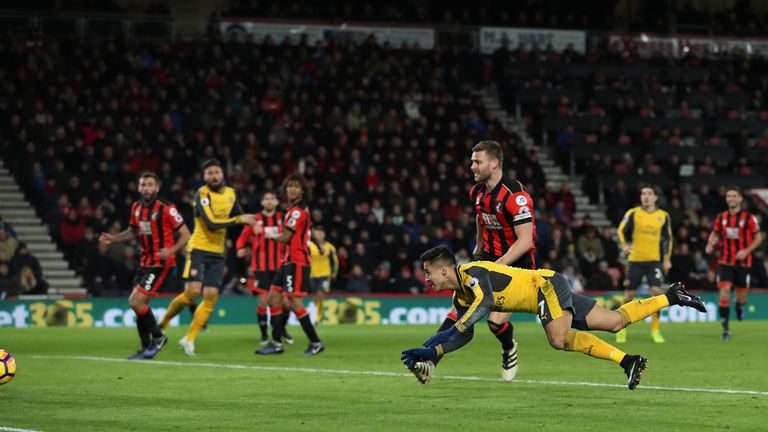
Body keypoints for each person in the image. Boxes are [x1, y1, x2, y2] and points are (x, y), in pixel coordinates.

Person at [401, 246, 707, 389]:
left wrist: (442, 336)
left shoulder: (472, 273)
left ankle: (627, 360)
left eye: (428, 273)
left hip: (546, 286)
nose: (426, 279)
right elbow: (465, 334)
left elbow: (485, 304)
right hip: (547, 293)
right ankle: (669, 298)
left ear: (443, 269)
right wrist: (435, 350)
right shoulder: (460, 295)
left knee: (557, 339)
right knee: (614, 322)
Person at [420, 140, 536, 384]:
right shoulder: (477, 192)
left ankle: (508, 348)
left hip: (516, 266)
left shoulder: (516, 196)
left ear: (494, 163)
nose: (472, 166)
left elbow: (525, 241)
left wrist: (498, 265)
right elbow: (480, 217)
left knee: (495, 322)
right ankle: (429, 361)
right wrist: (479, 244)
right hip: (486, 259)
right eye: (472, 161)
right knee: (459, 310)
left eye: (477, 161)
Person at [157, 159, 257, 356]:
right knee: (192, 294)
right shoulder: (202, 194)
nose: (213, 176)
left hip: (218, 253)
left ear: (222, 175)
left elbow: (240, 217)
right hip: (199, 249)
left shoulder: (231, 194)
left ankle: (189, 339)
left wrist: (253, 229)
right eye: (209, 173)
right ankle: (161, 325)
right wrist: (240, 219)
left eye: (216, 172)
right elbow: (211, 223)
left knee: (211, 296)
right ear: (204, 178)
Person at [98, 171, 191, 359]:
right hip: (144, 263)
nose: (146, 188)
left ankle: (159, 337)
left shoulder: (166, 208)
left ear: (157, 187)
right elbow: (133, 231)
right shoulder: (136, 208)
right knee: (139, 306)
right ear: (139, 188)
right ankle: (145, 347)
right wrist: (114, 238)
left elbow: (186, 234)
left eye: (150, 184)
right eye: (143, 185)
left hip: (161, 263)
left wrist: (171, 250)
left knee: (135, 301)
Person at [256, 174, 325, 356]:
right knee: (273, 299)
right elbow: (308, 230)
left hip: (297, 262)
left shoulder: (296, 212)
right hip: (286, 262)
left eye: (296, 186)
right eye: (290, 186)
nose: (292, 189)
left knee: (294, 302)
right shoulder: (296, 209)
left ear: (303, 190)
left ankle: (316, 342)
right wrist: (319, 245)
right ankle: (277, 344)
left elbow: (286, 237)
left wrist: (267, 234)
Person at [616, 185, 672, 344]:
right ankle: (621, 329)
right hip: (635, 260)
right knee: (629, 296)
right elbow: (620, 231)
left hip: (654, 261)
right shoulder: (633, 213)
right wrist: (624, 245)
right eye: (643, 194)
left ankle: (655, 330)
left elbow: (668, 238)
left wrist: (667, 258)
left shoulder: (663, 216)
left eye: (649, 194)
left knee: (657, 294)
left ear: (655, 197)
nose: (645, 196)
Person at [705, 186, 763, 340]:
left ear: (740, 199)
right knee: (724, 292)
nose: (731, 198)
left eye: (734, 196)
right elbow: (715, 233)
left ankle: (738, 305)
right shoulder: (721, 217)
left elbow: (759, 238)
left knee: (741, 298)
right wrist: (710, 243)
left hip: (744, 263)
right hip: (725, 261)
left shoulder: (749, 218)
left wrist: (746, 250)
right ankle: (725, 330)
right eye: (728, 196)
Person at [236, 190, 286, 346]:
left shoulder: (283, 219)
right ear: (262, 202)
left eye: (272, 198)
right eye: (266, 199)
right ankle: (264, 335)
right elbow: (242, 238)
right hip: (261, 267)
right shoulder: (255, 219)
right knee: (263, 301)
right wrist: (240, 249)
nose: (269, 201)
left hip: (280, 266)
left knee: (283, 302)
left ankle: (280, 330)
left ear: (277, 202)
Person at [309, 225, 338, 323]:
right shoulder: (309, 245)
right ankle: (318, 314)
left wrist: (333, 274)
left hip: (325, 275)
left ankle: (315, 315)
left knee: (320, 294)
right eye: (317, 233)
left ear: (324, 235)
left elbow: (335, 261)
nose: (319, 235)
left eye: (321, 233)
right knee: (317, 295)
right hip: (312, 275)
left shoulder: (329, 247)